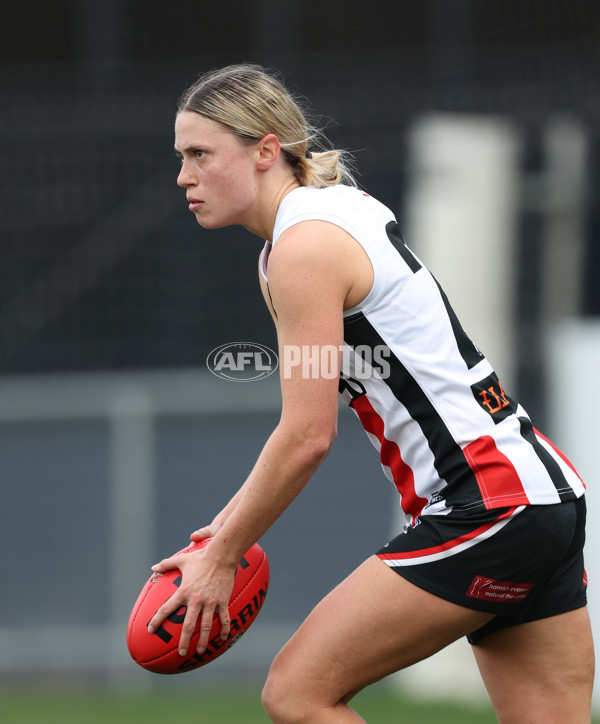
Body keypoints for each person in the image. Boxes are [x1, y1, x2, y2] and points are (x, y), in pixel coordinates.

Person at [147, 63, 595, 723]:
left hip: (488, 505)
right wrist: (222, 534)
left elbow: (306, 436)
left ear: (266, 149)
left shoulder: (303, 248)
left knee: (296, 694)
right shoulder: (325, 219)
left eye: (200, 154)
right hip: (542, 496)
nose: (184, 176)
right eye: (182, 157)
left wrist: (225, 555)